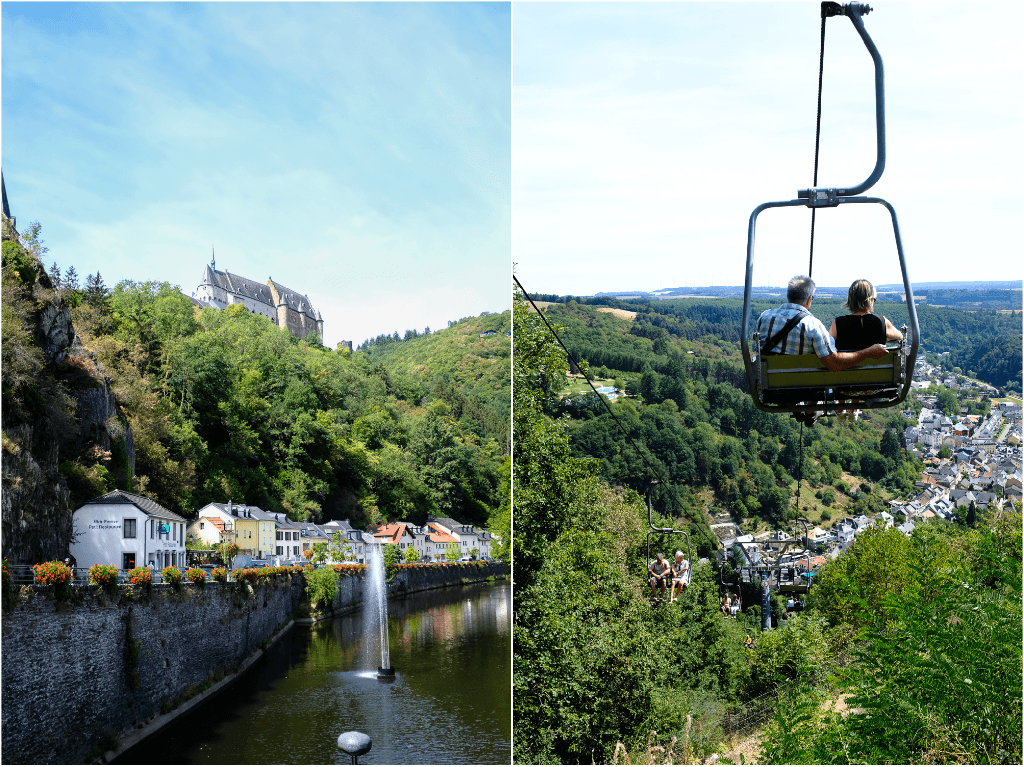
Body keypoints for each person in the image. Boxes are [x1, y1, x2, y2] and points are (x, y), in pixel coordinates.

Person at [754, 275, 889, 425]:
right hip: (805, 390)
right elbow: (834, 364)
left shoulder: (764, 318)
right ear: (809, 299)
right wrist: (868, 352)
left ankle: (808, 410)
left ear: (789, 296)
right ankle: (810, 410)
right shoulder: (812, 325)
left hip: (771, 387)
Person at [829, 279, 903, 350]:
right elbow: (899, 337)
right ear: (870, 300)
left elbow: (826, 344)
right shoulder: (881, 321)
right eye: (874, 300)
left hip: (848, 362)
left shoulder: (838, 323)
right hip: (877, 363)